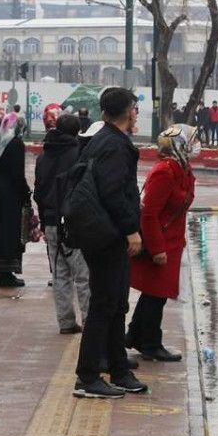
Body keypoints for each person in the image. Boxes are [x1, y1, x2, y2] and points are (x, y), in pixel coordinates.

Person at [74, 87, 147, 399]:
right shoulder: (115, 146)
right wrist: (132, 230)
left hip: (101, 233)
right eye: (135, 109)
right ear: (129, 111)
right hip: (107, 235)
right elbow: (114, 193)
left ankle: (119, 370)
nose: (137, 114)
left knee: (116, 304)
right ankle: (87, 376)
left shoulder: (103, 139)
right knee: (105, 305)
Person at [127, 126, 197, 362]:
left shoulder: (182, 169)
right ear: (179, 145)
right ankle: (149, 343)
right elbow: (149, 214)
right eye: (191, 141)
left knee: (157, 293)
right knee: (156, 293)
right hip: (160, 243)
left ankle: (137, 335)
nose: (196, 145)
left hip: (173, 241)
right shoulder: (164, 172)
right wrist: (157, 249)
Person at [35, 112, 90, 334]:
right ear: (77, 130)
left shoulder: (43, 156)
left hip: (49, 220)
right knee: (83, 275)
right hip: (73, 221)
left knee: (59, 274)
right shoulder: (78, 154)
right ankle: (89, 322)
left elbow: (38, 190)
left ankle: (65, 321)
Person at [0, 111, 31, 287]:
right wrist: (26, 192)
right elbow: (17, 174)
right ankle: (7, 274)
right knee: (10, 233)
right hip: (11, 194)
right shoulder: (16, 144)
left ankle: (2, 273)